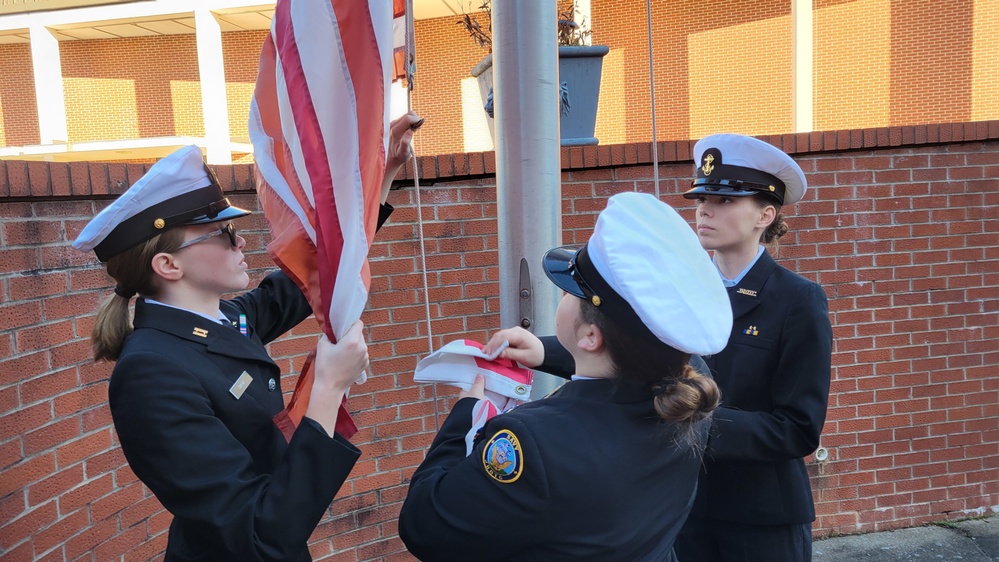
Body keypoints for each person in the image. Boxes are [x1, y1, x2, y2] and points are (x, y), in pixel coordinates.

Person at [71, 112, 422, 562]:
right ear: (169, 266)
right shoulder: (151, 374)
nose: (240, 243)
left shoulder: (225, 317)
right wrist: (330, 387)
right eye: (223, 233)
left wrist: (382, 172)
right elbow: (257, 535)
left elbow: (317, 271)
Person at [399, 191, 734, 561]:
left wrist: (465, 419)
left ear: (591, 336)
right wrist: (544, 352)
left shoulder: (531, 441)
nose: (563, 297)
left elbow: (425, 526)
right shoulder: (690, 385)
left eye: (571, 293)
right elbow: (635, 359)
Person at [673, 133, 833, 562]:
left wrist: (687, 420)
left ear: (765, 214)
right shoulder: (676, 293)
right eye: (702, 197)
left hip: (760, 520)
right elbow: (616, 349)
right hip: (680, 511)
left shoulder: (796, 300)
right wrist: (537, 352)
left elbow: (798, 428)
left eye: (725, 201)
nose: (704, 208)